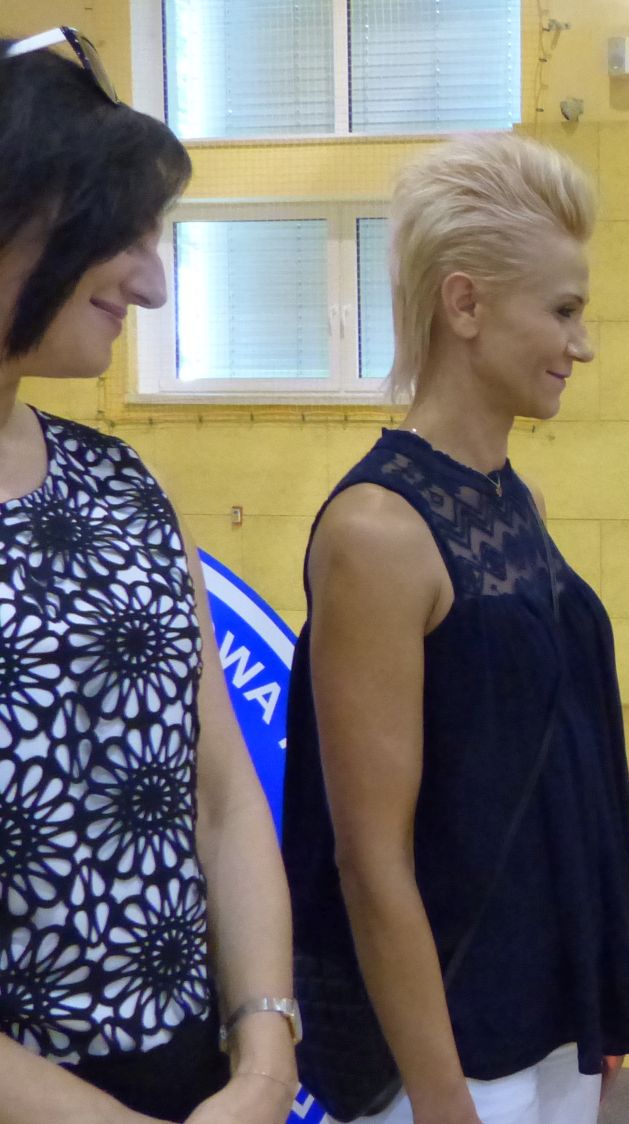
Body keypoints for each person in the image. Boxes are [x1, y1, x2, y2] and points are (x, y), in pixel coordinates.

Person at [281, 134, 629, 1124]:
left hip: (548, 1017)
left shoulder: (509, 497)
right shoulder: (376, 531)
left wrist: (596, 995)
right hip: (448, 1051)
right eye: (563, 311)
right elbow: (370, 858)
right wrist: (442, 1096)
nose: (583, 343)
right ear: (465, 305)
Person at [0, 28, 299, 1124]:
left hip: (187, 1077)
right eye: (119, 235)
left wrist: (263, 1051)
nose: (154, 284)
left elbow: (221, 793)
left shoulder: (122, 483)